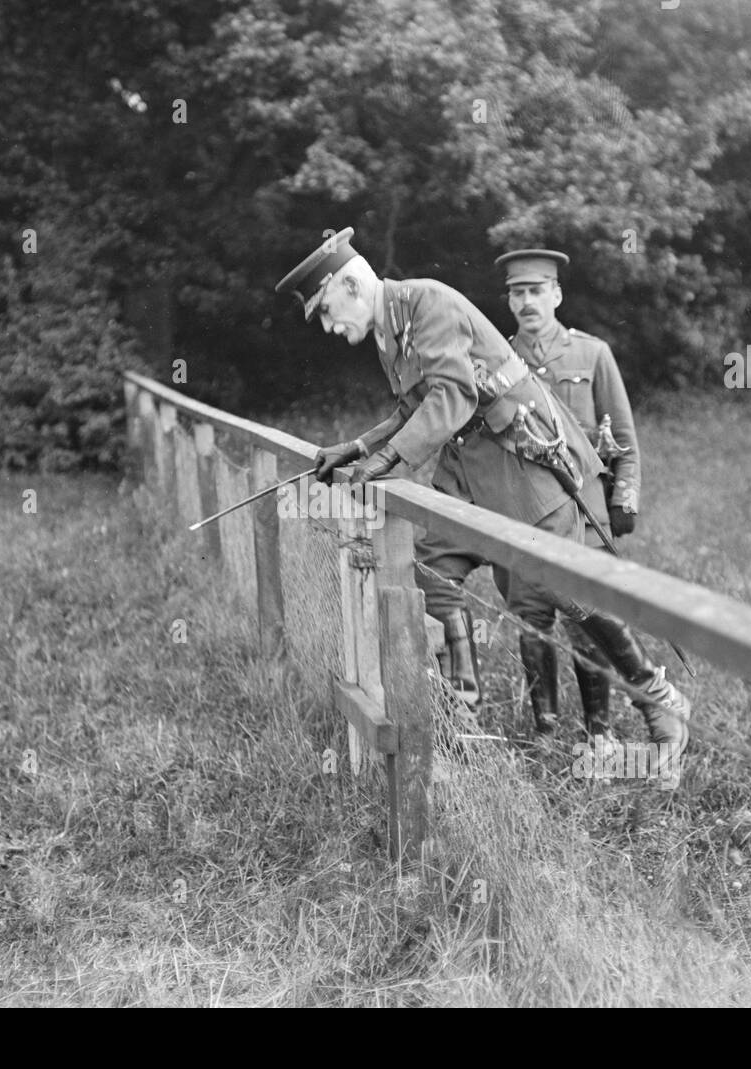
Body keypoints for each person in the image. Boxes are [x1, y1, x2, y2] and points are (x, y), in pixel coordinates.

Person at [274, 228, 690, 766]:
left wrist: (388, 460)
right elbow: (414, 407)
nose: (330, 327)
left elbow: (455, 392)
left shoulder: (427, 303)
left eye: (329, 311)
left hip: (526, 467)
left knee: (568, 591)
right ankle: (459, 714)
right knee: (429, 572)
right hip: (468, 472)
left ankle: (657, 696)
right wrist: (355, 448)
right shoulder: (386, 328)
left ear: (353, 285)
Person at [500, 249, 641, 744]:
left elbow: (623, 436)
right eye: (517, 293)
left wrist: (625, 499)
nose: (526, 302)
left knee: (587, 624)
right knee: (531, 622)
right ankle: (544, 730)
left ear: (556, 295)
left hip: (585, 517)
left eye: (536, 291)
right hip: (524, 516)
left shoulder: (592, 354)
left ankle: (598, 732)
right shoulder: (498, 359)